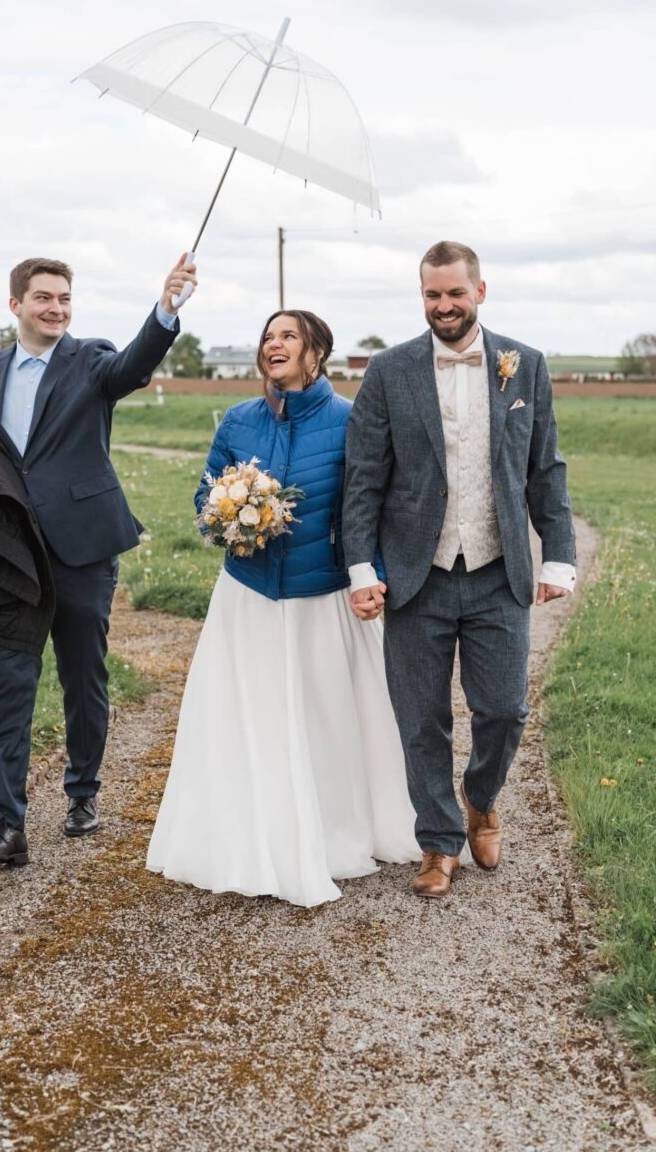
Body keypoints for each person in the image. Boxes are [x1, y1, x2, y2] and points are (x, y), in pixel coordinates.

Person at [147, 309, 421, 908]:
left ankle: (329, 834)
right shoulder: (239, 420)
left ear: (315, 352)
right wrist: (226, 518)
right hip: (246, 598)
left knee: (325, 718)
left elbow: (364, 509)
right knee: (248, 716)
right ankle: (249, 832)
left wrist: (367, 575)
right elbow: (204, 493)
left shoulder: (351, 421)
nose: (273, 344)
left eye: (287, 336)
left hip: (320, 599)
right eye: (267, 336)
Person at [343, 241, 576, 900]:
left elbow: (545, 470)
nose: (443, 306)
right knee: (420, 720)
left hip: (498, 573)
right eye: (431, 295)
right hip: (417, 576)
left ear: (480, 291)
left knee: (503, 710)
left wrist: (557, 553)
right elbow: (363, 479)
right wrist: (361, 565)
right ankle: (439, 842)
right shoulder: (389, 371)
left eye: (454, 293)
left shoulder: (523, 365)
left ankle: (481, 797)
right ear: (422, 296)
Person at [0, 253, 196, 866]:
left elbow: (134, 367)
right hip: (10, 554)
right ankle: (6, 824)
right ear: (16, 304)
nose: (57, 308)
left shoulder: (92, 361)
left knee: (82, 677)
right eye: (44, 298)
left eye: (65, 298)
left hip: (82, 549)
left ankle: (82, 793)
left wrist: (165, 309)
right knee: (9, 684)